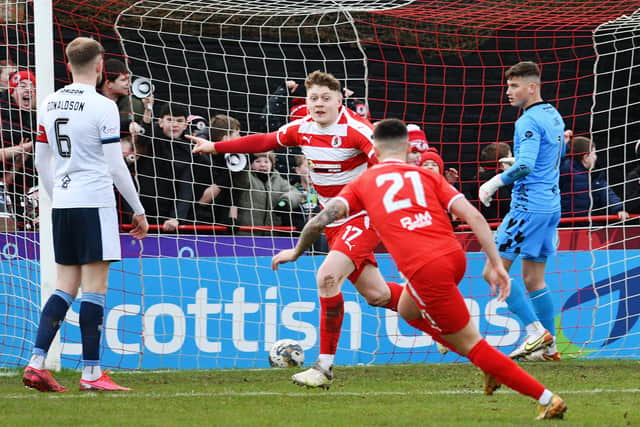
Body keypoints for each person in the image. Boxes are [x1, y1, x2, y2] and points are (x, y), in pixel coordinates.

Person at [272, 119, 567, 420]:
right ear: (410, 149)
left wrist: (296, 252)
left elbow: (318, 222)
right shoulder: (425, 175)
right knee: (408, 310)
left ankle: (546, 397)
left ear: (373, 147)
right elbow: (475, 217)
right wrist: (495, 263)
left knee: (473, 345)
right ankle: (491, 365)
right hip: (453, 257)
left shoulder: (363, 182)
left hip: (427, 269)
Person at [187, 70, 405, 388]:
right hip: (333, 222)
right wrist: (215, 147)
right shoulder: (302, 128)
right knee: (377, 294)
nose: (318, 104)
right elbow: (264, 140)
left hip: (364, 217)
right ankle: (438, 312)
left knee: (327, 277)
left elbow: (386, 164)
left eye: (325, 98)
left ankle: (324, 368)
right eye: (313, 98)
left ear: (339, 99)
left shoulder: (358, 131)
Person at [25, 37, 148, 392]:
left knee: (66, 285)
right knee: (95, 288)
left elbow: (39, 159)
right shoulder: (103, 106)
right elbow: (115, 165)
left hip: (63, 203)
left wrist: (56, 195)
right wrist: (138, 210)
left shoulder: (49, 102)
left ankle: (36, 363)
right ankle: (92, 373)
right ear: (99, 66)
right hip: (94, 202)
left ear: (67, 65)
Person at [478, 61, 566, 361]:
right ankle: (551, 347)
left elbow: (527, 165)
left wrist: (494, 182)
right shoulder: (553, 114)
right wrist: (515, 164)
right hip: (551, 205)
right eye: (507, 85)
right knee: (533, 279)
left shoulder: (526, 121)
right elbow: (552, 155)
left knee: (492, 272)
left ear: (532, 87)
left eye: (514, 86)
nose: (508, 91)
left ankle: (535, 332)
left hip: (528, 207)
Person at [136, 102, 212, 231]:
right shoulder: (153, 136)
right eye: (170, 120)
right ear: (160, 122)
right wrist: (148, 110)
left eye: (179, 121)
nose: (174, 124)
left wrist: (177, 217)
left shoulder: (190, 149)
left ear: (186, 124)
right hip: (141, 210)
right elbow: (144, 138)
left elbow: (186, 186)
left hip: (169, 214)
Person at [560, 136, 629, 220]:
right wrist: (562, 144)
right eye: (594, 153)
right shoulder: (565, 169)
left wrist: (619, 209)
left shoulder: (596, 175)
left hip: (588, 223)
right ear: (585, 157)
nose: (596, 157)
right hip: (565, 224)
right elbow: (554, 162)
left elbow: (606, 192)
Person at [233, 151, 302, 235]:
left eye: (266, 161)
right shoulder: (246, 177)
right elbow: (240, 180)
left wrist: (285, 202)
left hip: (271, 236)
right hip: (246, 233)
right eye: (258, 161)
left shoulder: (278, 179)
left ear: (272, 164)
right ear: (250, 164)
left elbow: (295, 193)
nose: (263, 165)